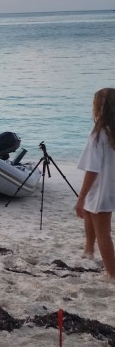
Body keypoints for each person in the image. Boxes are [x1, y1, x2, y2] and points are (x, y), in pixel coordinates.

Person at [75, 88, 115, 280]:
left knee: (103, 233)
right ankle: (89, 248)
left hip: (102, 188)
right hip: (110, 185)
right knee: (89, 211)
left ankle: (112, 274)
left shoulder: (98, 135)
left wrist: (81, 196)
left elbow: (92, 169)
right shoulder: (111, 132)